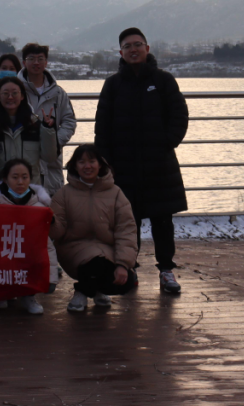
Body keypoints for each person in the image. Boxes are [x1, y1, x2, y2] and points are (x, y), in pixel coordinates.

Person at [94, 28, 188, 296]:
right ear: (121, 52)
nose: (133, 49)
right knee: (127, 221)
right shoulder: (113, 85)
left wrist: (166, 143)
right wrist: (105, 162)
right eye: (127, 46)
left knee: (162, 220)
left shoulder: (163, 80)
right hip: (123, 166)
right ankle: (128, 267)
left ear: (147, 48)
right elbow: (102, 127)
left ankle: (166, 269)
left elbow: (179, 115)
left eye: (137, 45)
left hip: (159, 164)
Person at [51, 145, 139, 312]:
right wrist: (51, 222)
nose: (87, 166)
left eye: (92, 161)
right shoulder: (64, 194)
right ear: (74, 166)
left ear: (100, 164)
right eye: (81, 162)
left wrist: (123, 264)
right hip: (74, 248)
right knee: (94, 263)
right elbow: (57, 232)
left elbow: (126, 231)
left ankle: (92, 289)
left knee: (127, 281)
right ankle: (83, 292)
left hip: (107, 249)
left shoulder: (115, 193)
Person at [0, 158, 58, 315]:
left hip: (27, 258)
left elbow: (46, 245)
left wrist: (50, 278)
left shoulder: (40, 207)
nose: (20, 182)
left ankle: (28, 295)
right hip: (2, 256)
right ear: (5, 179)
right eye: (15, 177)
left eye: (24, 177)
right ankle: (2, 292)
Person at [0, 77, 59, 189]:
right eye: (5, 93)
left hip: (31, 190)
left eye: (15, 93)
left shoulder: (34, 124)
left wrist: (48, 129)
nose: (10, 97)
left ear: (22, 96)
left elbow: (49, 157)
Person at [20, 42, 77, 195]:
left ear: (46, 62)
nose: (36, 63)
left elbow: (69, 121)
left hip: (51, 160)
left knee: (52, 202)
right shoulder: (16, 91)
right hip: (23, 155)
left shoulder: (58, 93)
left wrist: (54, 142)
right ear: (24, 62)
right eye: (31, 59)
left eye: (40, 59)